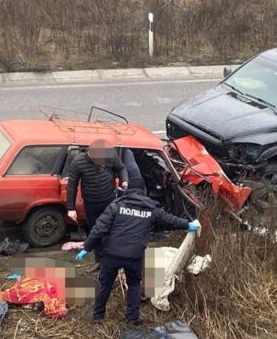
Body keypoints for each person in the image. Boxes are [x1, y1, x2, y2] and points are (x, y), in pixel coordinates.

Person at [76, 185, 201, 326]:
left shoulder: (117, 206)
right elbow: (170, 221)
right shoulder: (151, 209)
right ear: (144, 194)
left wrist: (87, 248)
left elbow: (99, 228)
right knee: (134, 285)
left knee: (105, 285)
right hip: (134, 256)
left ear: (128, 193)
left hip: (112, 254)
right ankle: (132, 318)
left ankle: (98, 316)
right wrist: (187, 225)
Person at [66, 139, 130, 272]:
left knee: (112, 229)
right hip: (91, 203)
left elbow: (121, 168)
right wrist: (71, 208)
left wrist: (124, 181)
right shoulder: (78, 162)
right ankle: (99, 259)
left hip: (110, 200)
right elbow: (72, 185)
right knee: (95, 231)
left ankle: (113, 258)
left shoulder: (110, 156)